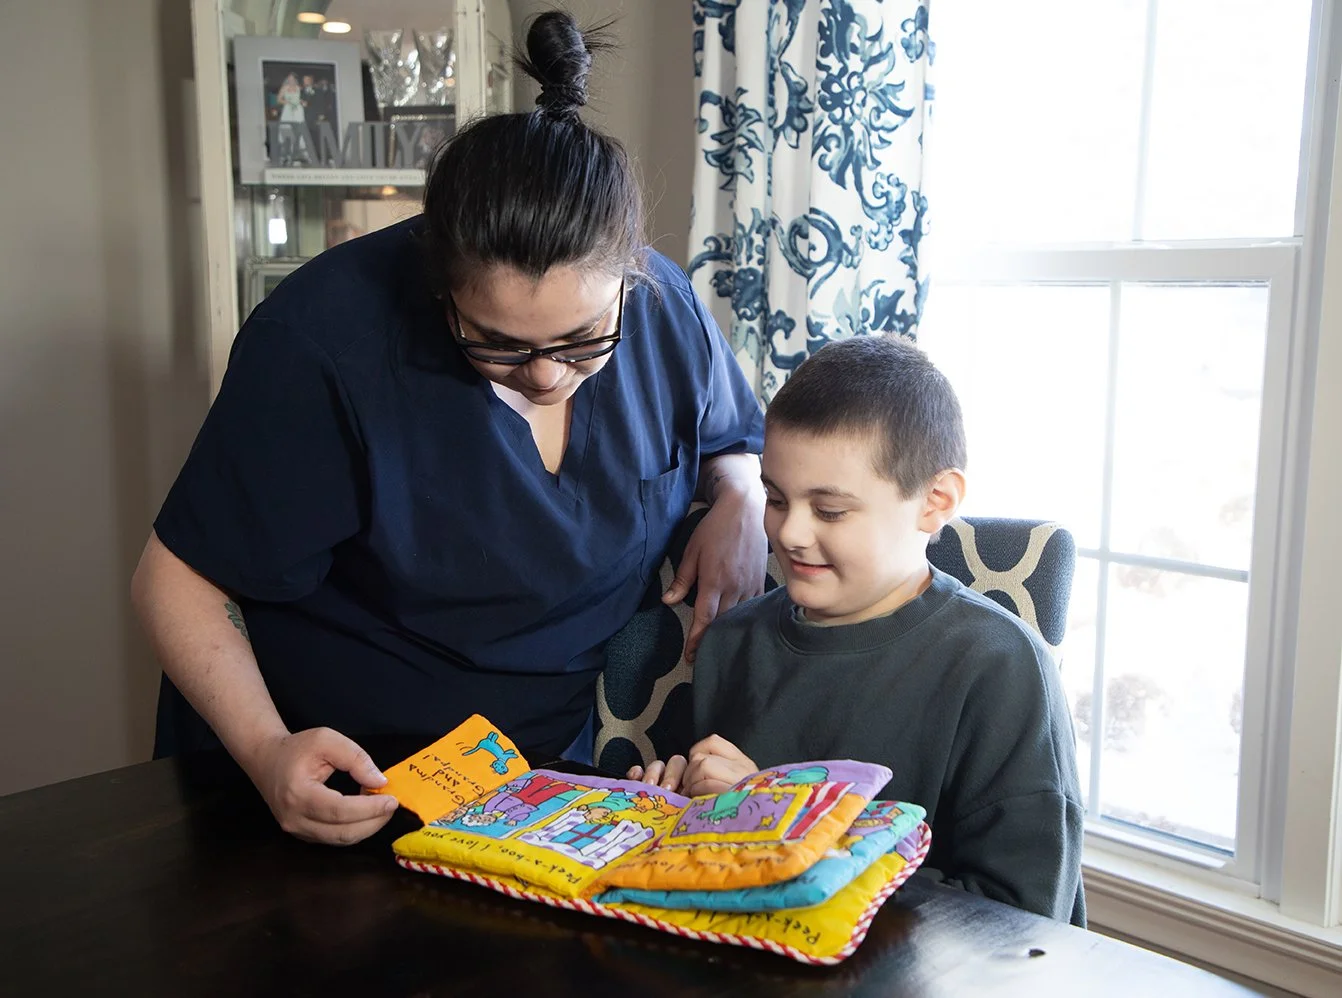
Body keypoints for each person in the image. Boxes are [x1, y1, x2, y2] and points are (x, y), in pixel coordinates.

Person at [131, 12, 767, 847]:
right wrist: (268, 750)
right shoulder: (323, 342)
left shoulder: (666, 309)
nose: (544, 375)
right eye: (497, 345)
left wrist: (742, 498)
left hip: (533, 776)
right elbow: (173, 580)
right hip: (330, 763)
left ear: (629, 279)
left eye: (583, 344)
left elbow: (731, 436)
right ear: (440, 288)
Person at [630, 335, 1087, 925]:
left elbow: (1018, 923)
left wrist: (779, 826)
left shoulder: (1000, 668)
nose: (790, 533)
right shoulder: (731, 641)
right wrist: (676, 809)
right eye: (775, 498)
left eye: (830, 511)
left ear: (935, 501)